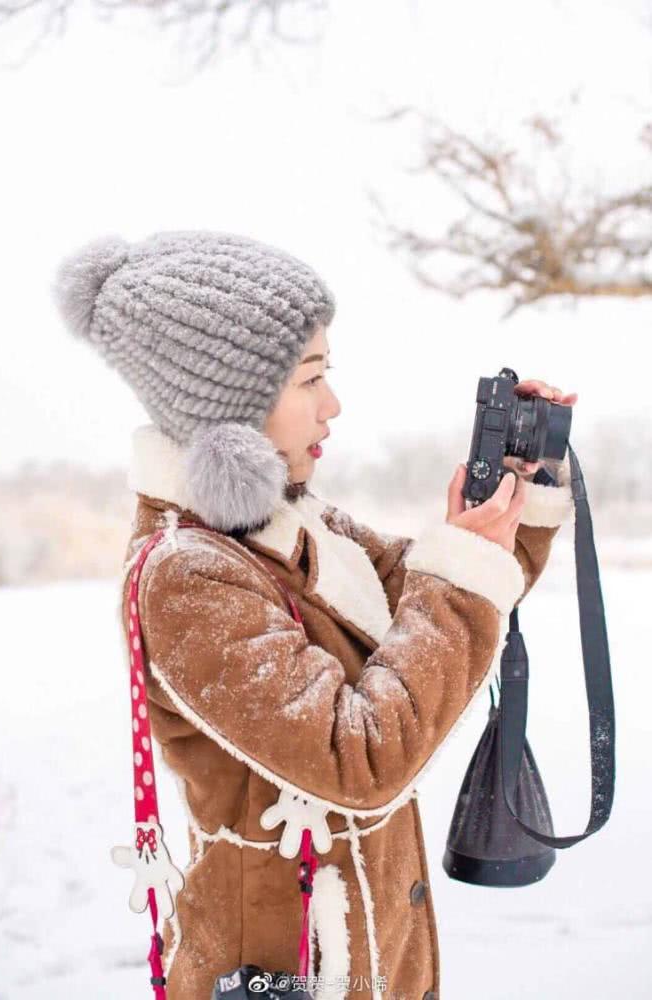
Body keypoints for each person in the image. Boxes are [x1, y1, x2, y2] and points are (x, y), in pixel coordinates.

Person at [52, 230, 577, 1000]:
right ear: (228, 400)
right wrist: (459, 575)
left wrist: (514, 497)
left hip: (371, 961)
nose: (333, 405)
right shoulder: (187, 577)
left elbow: (444, 604)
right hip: (287, 968)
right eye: (310, 379)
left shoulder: (300, 529)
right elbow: (358, 758)